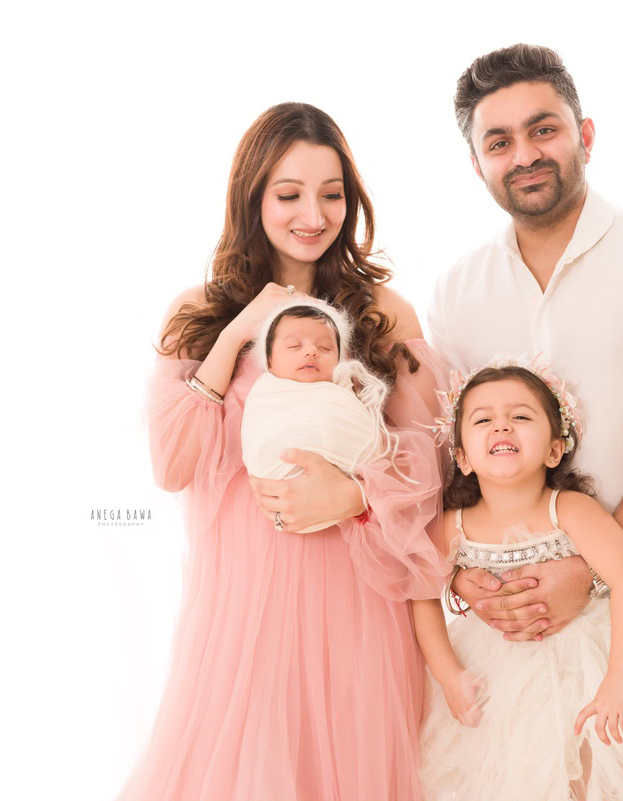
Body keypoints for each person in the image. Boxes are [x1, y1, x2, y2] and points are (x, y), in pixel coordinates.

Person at [117, 102, 449, 801]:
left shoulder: (386, 314)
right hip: (242, 614)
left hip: (358, 604)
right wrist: (238, 331)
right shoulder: (199, 314)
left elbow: (433, 463)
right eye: (289, 193)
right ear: (253, 197)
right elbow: (172, 464)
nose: (314, 214)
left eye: (332, 194)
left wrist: (354, 494)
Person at [425, 44, 623, 800]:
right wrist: (464, 573)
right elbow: (452, 452)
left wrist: (589, 568)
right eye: (498, 142)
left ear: (585, 135)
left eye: (544, 130)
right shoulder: (459, 290)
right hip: (509, 650)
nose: (525, 155)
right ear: (477, 164)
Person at [413, 361, 623, 800]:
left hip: (581, 670)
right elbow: (420, 595)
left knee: (583, 779)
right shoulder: (452, 526)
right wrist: (449, 673)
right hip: (494, 678)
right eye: (483, 420)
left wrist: (620, 678)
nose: (501, 428)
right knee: (505, 778)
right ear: (462, 458)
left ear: (554, 450)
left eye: (521, 417)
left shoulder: (569, 509)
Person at [239, 297, 401, 532]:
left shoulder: (342, 394)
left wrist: (355, 493)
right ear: (270, 362)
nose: (311, 351)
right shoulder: (268, 393)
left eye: (325, 348)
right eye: (295, 346)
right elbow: (258, 435)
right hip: (275, 500)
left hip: (347, 501)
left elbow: (369, 443)